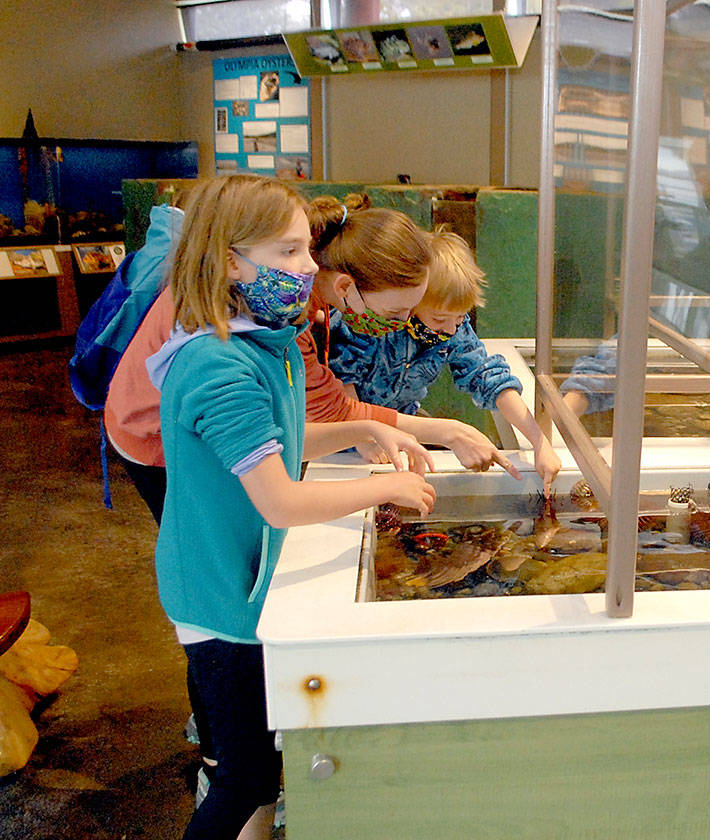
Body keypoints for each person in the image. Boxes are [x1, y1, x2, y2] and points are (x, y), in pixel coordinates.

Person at [149, 175, 436, 840]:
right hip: (218, 599)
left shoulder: (263, 340)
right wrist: (385, 487)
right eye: (285, 253)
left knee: (258, 768)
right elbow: (279, 499)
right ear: (227, 261)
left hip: (237, 584)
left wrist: (364, 430)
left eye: (306, 250)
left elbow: (284, 443)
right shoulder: (221, 368)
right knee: (244, 778)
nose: (307, 268)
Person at [105, 194, 515, 524]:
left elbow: (295, 429)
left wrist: (372, 427)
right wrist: (424, 446)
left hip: (218, 441)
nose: (306, 264)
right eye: (394, 315)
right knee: (215, 532)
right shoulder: (226, 359)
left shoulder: (282, 307)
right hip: (156, 436)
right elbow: (285, 489)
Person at [325, 227, 561, 489]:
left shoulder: (454, 331)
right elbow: (341, 381)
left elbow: (488, 378)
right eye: (439, 319)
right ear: (411, 301)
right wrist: (362, 439)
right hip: (341, 445)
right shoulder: (373, 322)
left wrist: (540, 443)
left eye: (460, 317)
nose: (450, 329)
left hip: (400, 439)